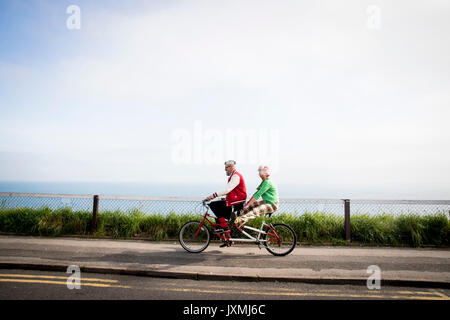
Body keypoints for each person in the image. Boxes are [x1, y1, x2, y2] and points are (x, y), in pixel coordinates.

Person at [204, 160, 247, 237]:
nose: (225, 169)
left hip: (237, 204)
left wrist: (212, 196)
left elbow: (227, 189)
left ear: (231, 167)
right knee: (219, 216)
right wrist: (225, 198)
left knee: (214, 205)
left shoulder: (236, 176)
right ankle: (226, 236)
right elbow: (231, 191)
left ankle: (225, 227)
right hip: (235, 202)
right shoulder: (233, 176)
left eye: (226, 167)